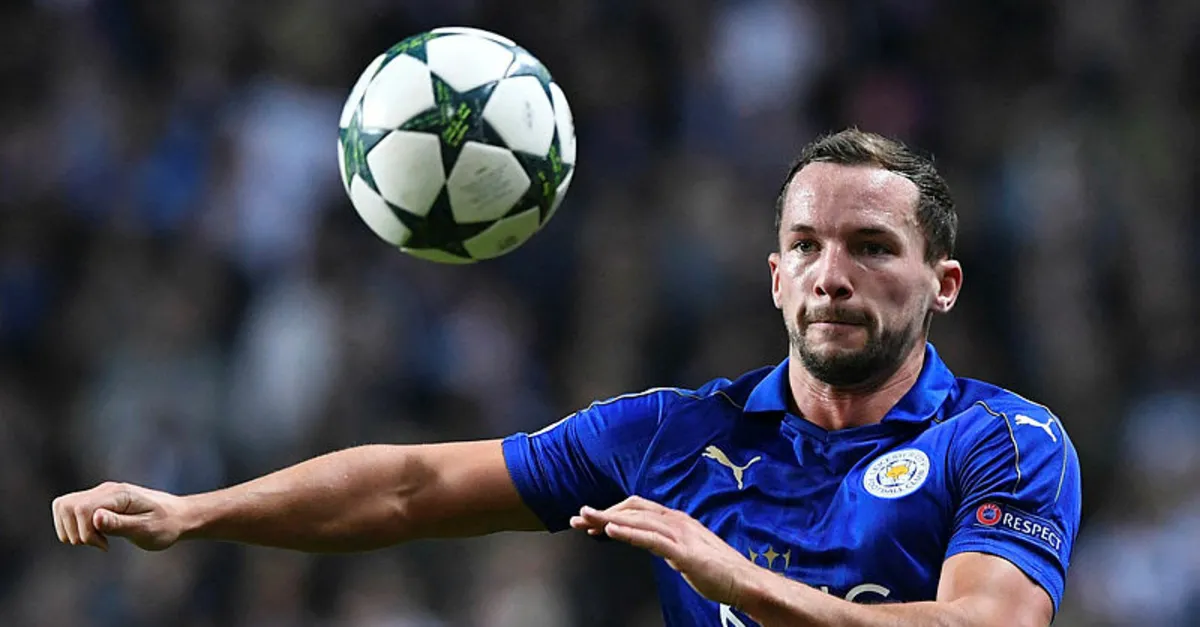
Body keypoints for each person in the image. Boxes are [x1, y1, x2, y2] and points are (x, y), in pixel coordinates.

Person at [52, 129, 1081, 627]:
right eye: (806, 246)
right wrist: (196, 512)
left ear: (943, 284)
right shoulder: (673, 435)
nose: (832, 275)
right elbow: (411, 486)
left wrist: (742, 584)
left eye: (872, 247)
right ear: (775, 278)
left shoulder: (1003, 440)